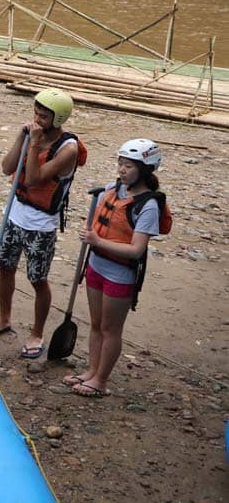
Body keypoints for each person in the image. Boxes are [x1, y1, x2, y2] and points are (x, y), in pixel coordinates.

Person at [65, 139, 169, 398]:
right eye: (120, 164)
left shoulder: (148, 206)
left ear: (145, 170)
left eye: (129, 166)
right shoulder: (113, 189)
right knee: (96, 323)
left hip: (119, 274)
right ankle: (91, 371)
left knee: (111, 329)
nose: (122, 170)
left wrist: (98, 241)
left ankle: (100, 380)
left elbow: (136, 249)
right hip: (96, 265)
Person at [0, 88, 85, 360]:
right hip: (15, 214)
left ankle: (37, 333)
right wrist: (22, 137)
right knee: (5, 267)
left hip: (40, 224)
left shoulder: (68, 149)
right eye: (36, 113)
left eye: (44, 115)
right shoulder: (30, 135)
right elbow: (7, 168)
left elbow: (33, 179)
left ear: (58, 118)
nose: (38, 118)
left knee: (37, 279)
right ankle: (4, 318)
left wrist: (33, 144)